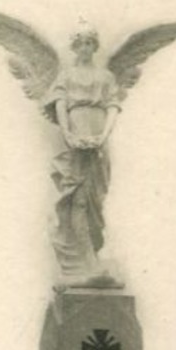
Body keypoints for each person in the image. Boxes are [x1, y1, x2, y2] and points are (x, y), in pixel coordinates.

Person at [44, 26, 123, 287]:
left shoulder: (105, 77)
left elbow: (113, 106)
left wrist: (103, 136)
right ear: (75, 47)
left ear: (95, 46)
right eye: (81, 43)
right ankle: (84, 263)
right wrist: (68, 134)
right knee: (77, 198)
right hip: (76, 132)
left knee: (95, 200)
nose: (86, 48)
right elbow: (61, 106)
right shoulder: (67, 76)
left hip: (98, 132)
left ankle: (92, 260)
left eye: (90, 43)